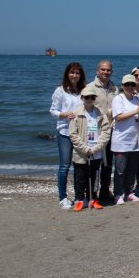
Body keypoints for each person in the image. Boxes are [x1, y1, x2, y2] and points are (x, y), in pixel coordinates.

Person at [50, 62, 86, 209]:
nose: (74, 75)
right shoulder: (60, 90)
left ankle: (79, 196)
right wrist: (64, 115)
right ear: (67, 74)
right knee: (65, 165)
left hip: (80, 132)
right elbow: (53, 111)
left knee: (80, 165)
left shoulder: (84, 90)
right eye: (72, 72)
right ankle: (63, 197)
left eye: (77, 73)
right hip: (64, 131)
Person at [69, 85, 111, 212]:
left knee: (94, 177)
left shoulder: (99, 112)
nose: (89, 99)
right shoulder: (76, 113)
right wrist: (84, 148)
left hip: (96, 152)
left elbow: (106, 131)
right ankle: (80, 200)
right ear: (82, 98)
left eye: (92, 97)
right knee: (80, 177)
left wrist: (97, 148)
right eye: (87, 97)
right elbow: (73, 134)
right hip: (81, 152)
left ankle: (93, 199)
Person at [111, 74, 139, 205]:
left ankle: (129, 192)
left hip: (135, 141)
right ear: (122, 86)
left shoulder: (137, 99)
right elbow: (118, 117)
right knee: (120, 169)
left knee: (132, 169)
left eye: (132, 85)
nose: (130, 87)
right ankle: (118, 193)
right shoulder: (118, 99)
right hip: (121, 141)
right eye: (127, 85)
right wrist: (136, 111)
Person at [92, 60, 118, 202]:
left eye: (108, 70)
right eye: (103, 69)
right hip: (95, 131)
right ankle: (93, 193)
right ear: (97, 71)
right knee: (95, 164)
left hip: (111, 130)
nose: (105, 72)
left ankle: (105, 191)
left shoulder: (114, 88)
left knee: (108, 163)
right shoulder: (90, 88)